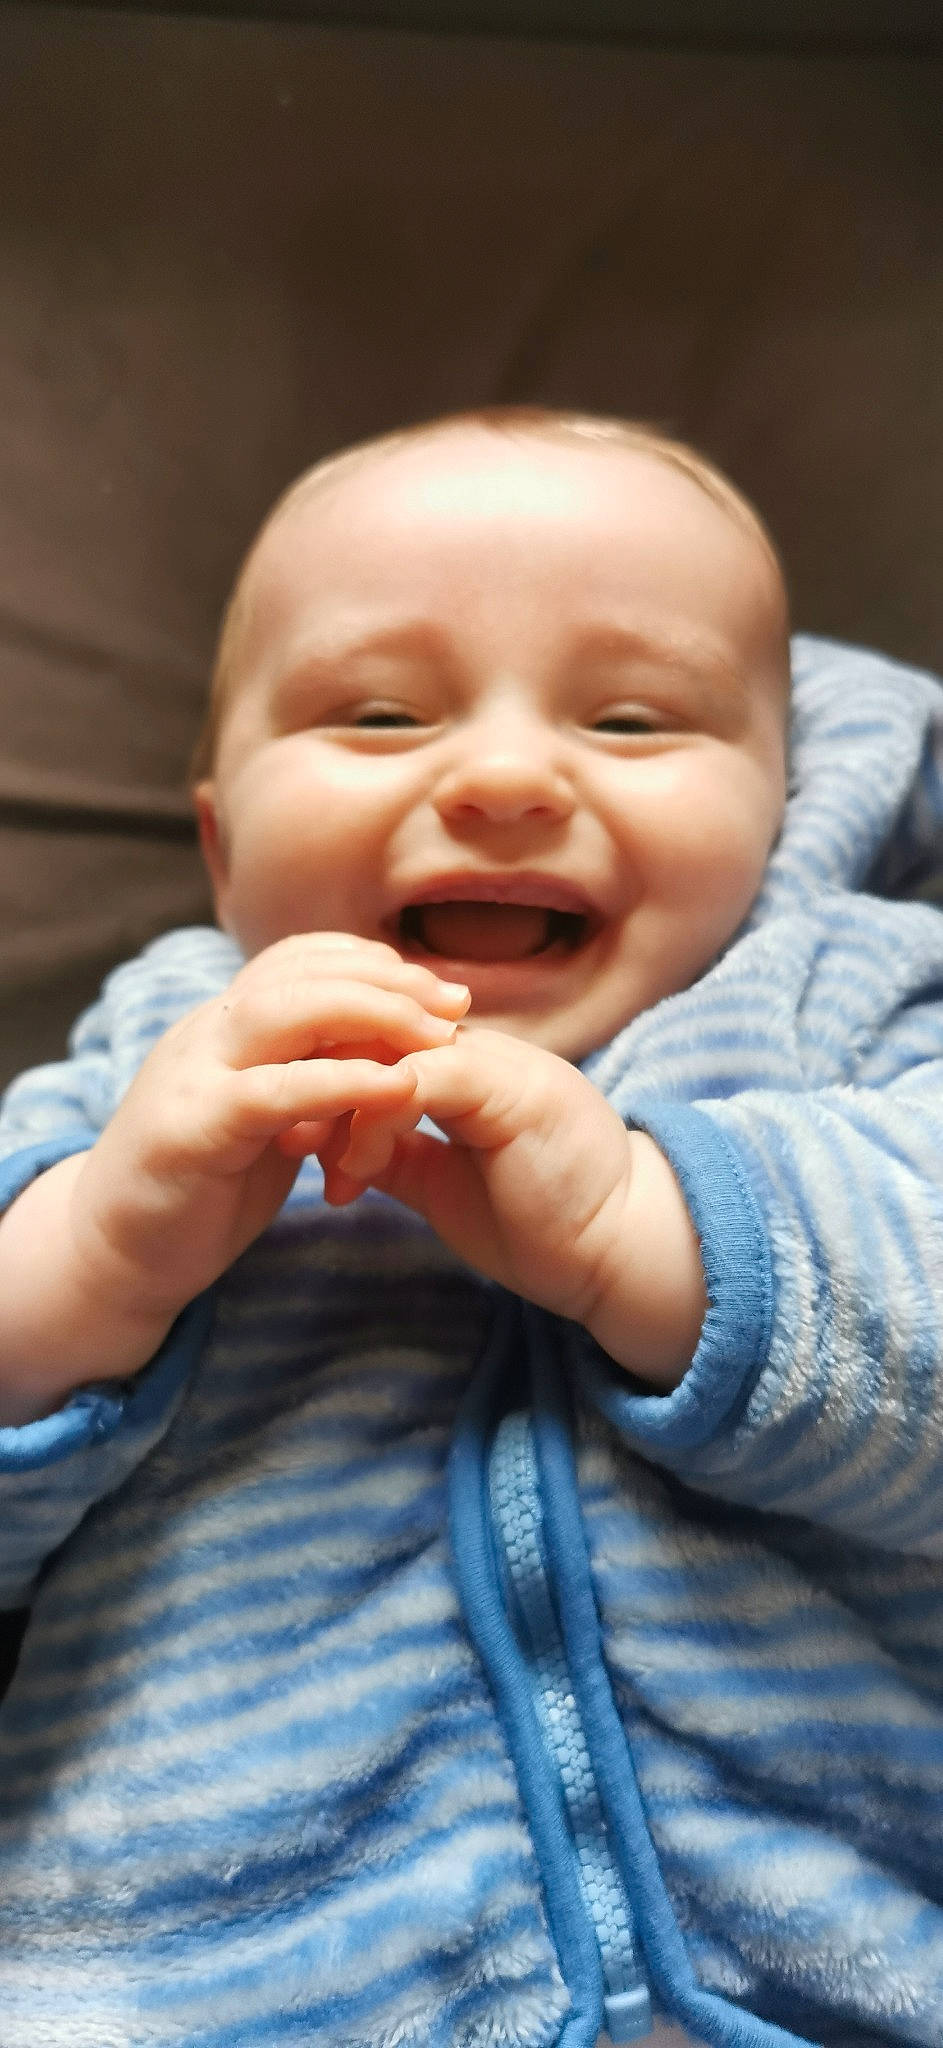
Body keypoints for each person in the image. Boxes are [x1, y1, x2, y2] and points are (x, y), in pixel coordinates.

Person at [0, 405, 942, 2048]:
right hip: (220, 1992)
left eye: (637, 721)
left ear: (784, 807)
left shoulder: (852, 1015)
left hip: (839, 1961)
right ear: (222, 847)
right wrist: (95, 1259)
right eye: (377, 714)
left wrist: (651, 1232)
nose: (506, 778)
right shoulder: (147, 1071)